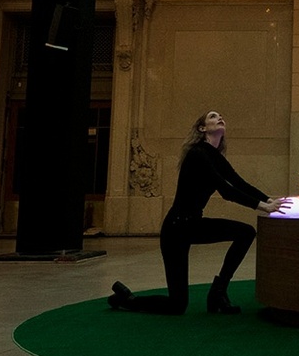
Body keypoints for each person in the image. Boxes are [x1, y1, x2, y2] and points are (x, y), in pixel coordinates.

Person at [108, 110, 282, 316]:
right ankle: (128, 300)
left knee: (245, 232)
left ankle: (218, 292)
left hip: (193, 225)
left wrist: (269, 200)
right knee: (177, 305)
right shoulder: (197, 153)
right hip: (176, 229)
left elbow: (239, 183)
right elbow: (226, 190)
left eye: (220, 116)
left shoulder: (215, 157)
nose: (220, 118)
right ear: (202, 128)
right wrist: (262, 207)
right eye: (213, 116)